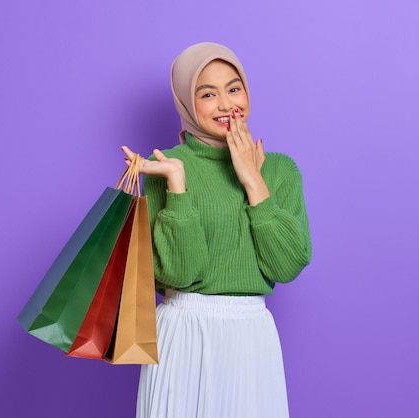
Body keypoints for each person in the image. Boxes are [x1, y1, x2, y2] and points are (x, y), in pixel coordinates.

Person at [121, 42, 312, 418]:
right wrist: (177, 183)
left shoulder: (280, 169)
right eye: (208, 94)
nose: (226, 105)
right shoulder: (163, 166)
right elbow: (179, 273)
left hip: (252, 337)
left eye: (234, 88)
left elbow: (287, 265)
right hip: (184, 334)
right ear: (187, 104)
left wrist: (253, 181)